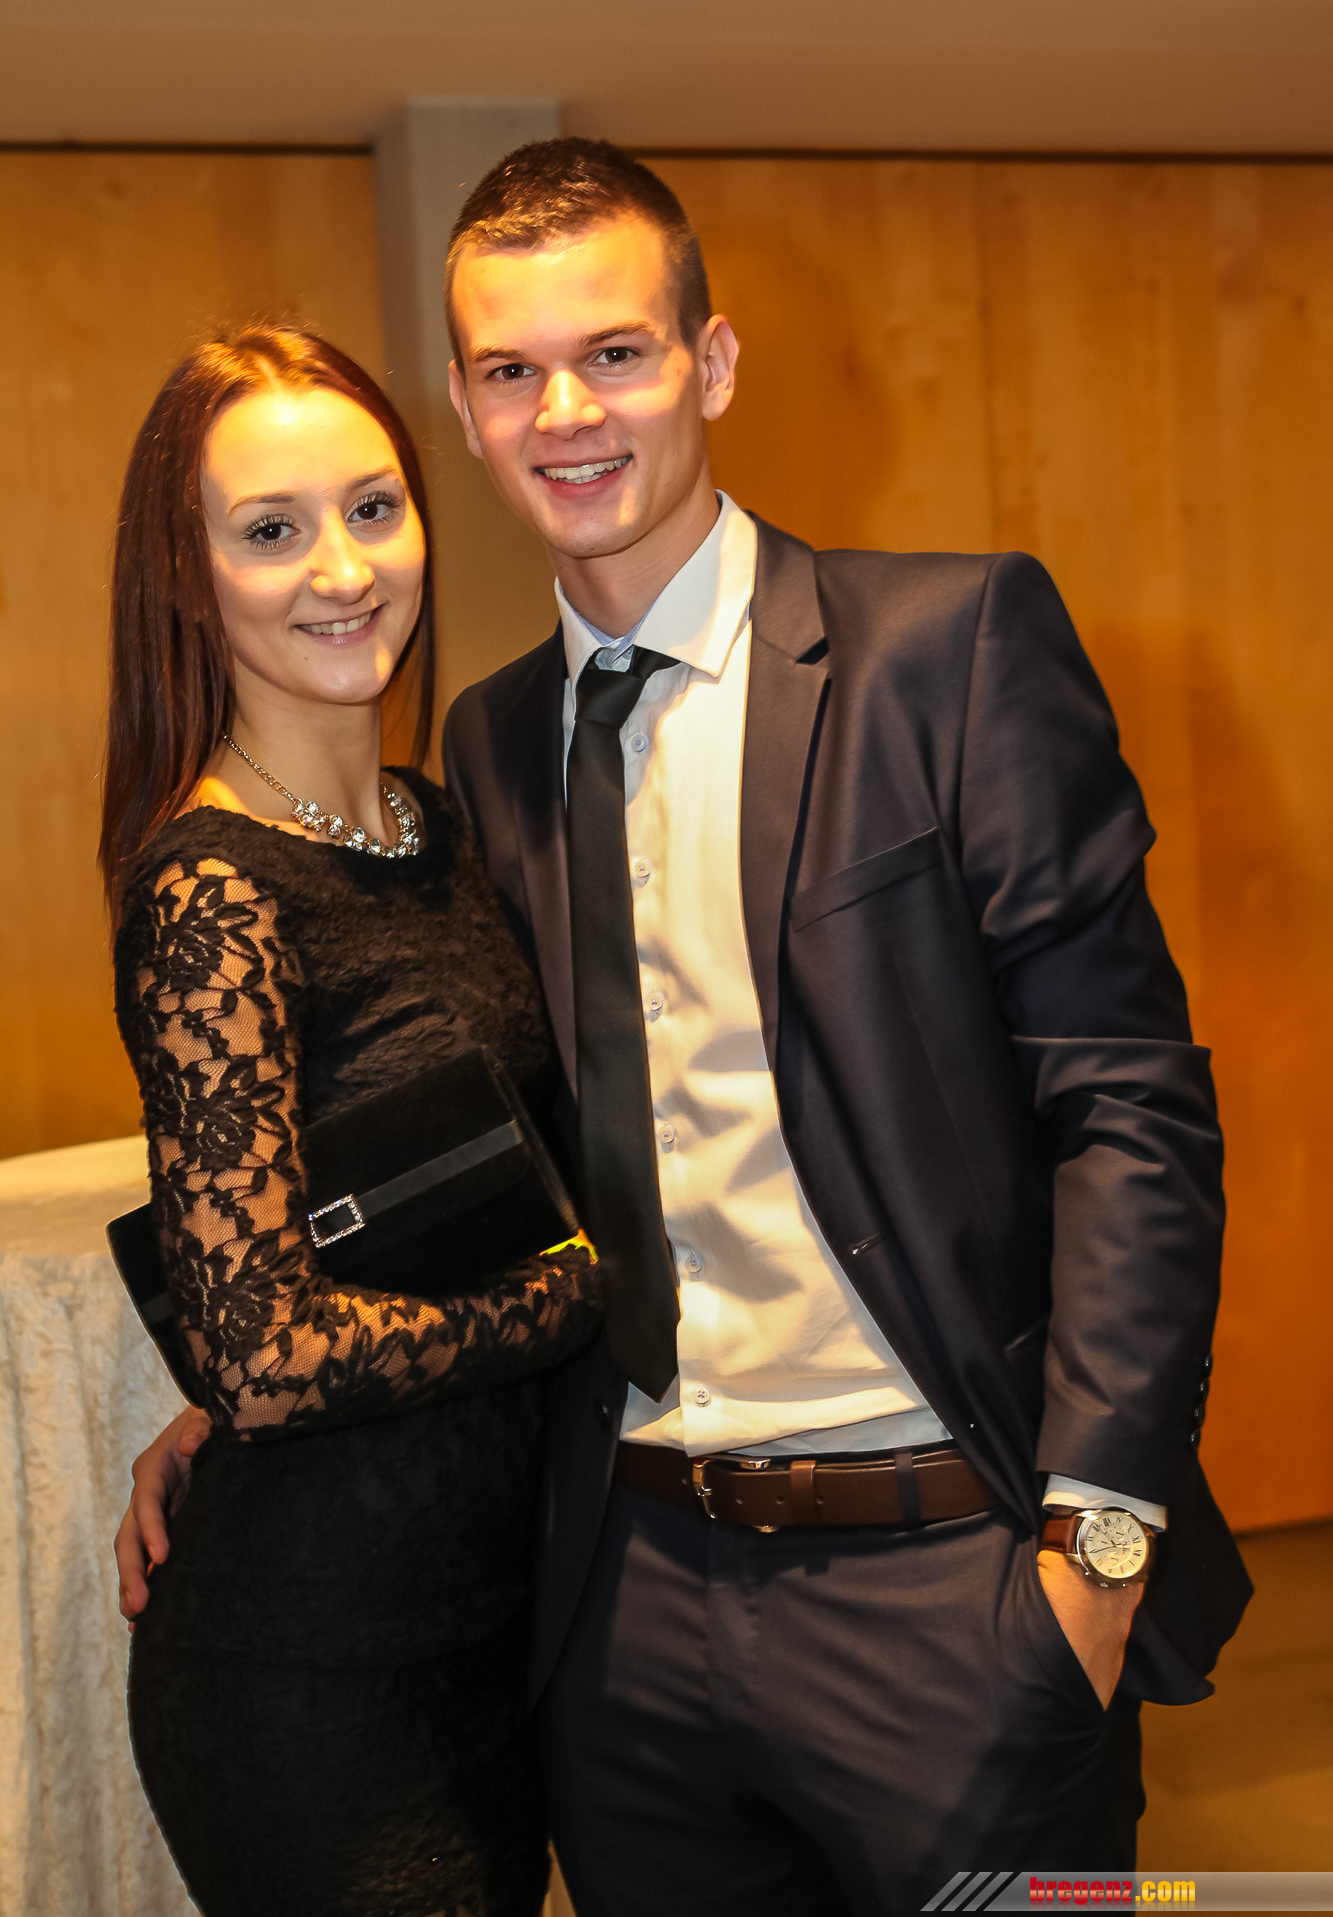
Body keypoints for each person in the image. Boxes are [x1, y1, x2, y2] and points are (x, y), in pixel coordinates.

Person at [120, 148, 1251, 1913]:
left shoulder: (945, 650)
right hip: (618, 1612)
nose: (566, 412)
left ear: (709, 365)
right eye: (511, 370)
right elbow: (469, 1144)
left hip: (950, 1577)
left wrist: (1094, 1556)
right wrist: (237, 1398)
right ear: (466, 416)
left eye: (616, 354)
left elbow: (1131, 1114)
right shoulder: (486, 751)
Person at [102, 324, 602, 1917]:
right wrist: (576, 1300)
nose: (342, 569)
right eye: (271, 529)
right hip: (316, 1681)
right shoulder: (211, 892)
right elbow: (264, 1355)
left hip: (495, 1637)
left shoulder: (440, 822)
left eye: (373, 509)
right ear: (190, 581)